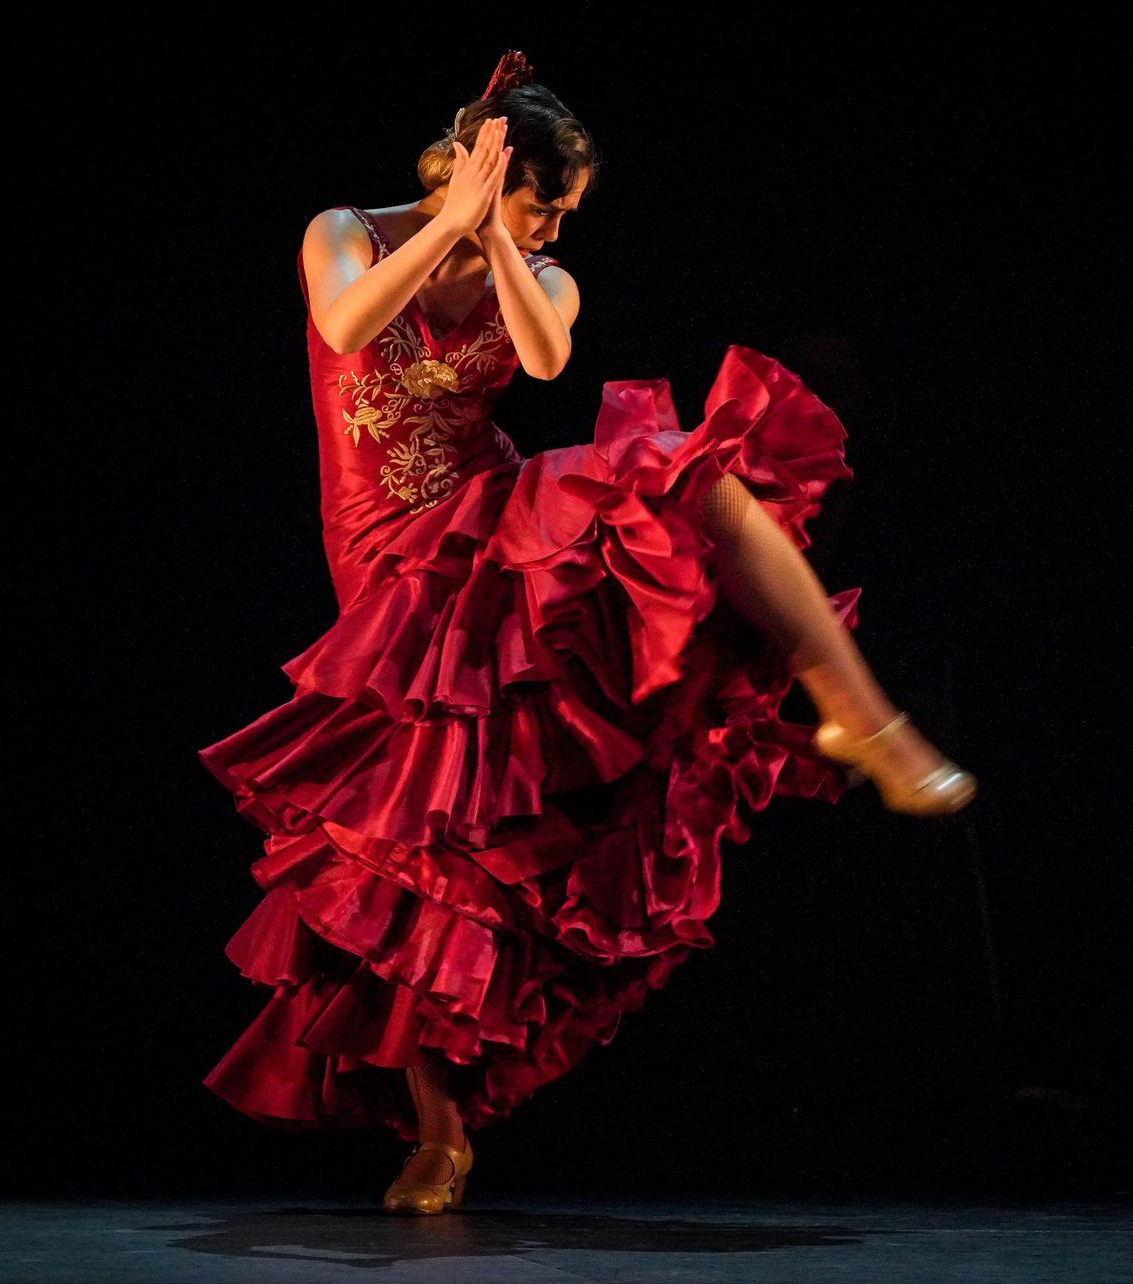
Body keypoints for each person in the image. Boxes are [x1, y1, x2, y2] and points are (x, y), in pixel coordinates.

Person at [197, 50, 976, 1216]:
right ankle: (438, 1130)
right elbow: (347, 322)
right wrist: (451, 215)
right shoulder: (344, 231)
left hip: (486, 513)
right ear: (476, 166)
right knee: (409, 841)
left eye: (562, 211)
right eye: (541, 200)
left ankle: (866, 720)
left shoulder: (542, 271)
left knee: (699, 486)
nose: (556, 224)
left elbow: (550, 356)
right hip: (385, 557)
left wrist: (502, 238)